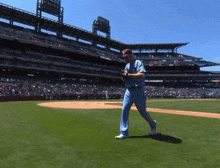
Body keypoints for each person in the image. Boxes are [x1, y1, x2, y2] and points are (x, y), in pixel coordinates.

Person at [115, 49, 157, 139]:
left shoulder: (138, 63)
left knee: (143, 112)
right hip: (129, 90)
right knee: (124, 110)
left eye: (126, 57)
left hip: (138, 90)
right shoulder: (127, 65)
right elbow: (125, 77)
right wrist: (124, 77)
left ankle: (153, 124)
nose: (125, 59)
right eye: (124, 57)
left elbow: (142, 75)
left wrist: (129, 75)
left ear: (130, 55)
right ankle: (124, 133)